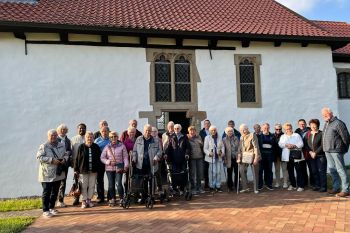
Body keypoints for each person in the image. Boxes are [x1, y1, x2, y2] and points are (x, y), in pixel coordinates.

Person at [36, 129, 68, 218]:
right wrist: (51, 160)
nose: (53, 137)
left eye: (55, 135)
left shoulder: (62, 145)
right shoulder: (44, 146)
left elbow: (66, 154)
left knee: (55, 191)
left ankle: (51, 207)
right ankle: (45, 210)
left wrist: (64, 159)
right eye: (51, 135)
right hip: (47, 173)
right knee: (47, 192)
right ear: (48, 136)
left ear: (57, 136)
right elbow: (39, 157)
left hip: (58, 172)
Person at [322, 107, 350, 197]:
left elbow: (346, 137)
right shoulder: (326, 123)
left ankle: (346, 189)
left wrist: (344, 149)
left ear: (330, 113)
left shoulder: (338, 123)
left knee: (340, 169)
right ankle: (336, 188)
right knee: (332, 169)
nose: (324, 116)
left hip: (336, 150)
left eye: (326, 114)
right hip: (327, 150)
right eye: (323, 115)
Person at [132, 124, 162, 203]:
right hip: (141, 164)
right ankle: (144, 197)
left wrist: (156, 157)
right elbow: (134, 151)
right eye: (146, 130)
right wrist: (134, 158)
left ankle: (152, 197)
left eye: (149, 131)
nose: (148, 132)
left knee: (152, 181)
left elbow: (160, 151)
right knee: (143, 181)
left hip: (152, 164)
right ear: (143, 131)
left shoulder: (156, 140)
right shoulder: (138, 139)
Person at [100, 131, 129, 206]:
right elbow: (102, 157)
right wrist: (108, 162)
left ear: (117, 137)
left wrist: (126, 165)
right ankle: (113, 199)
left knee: (118, 183)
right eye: (111, 137)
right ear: (109, 138)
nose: (113, 138)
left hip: (119, 168)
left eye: (115, 136)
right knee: (111, 185)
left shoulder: (122, 146)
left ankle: (122, 198)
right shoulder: (107, 147)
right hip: (109, 169)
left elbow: (125, 157)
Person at [74, 131, 101, 208]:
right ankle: (84, 200)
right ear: (85, 138)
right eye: (88, 137)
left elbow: (99, 159)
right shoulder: (81, 147)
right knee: (83, 186)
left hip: (93, 170)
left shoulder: (96, 147)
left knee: (92, 185)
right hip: (83, 170)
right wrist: (76, 170)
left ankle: (89, 200)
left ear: (93, 138)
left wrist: (98, 168)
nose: (89, 138)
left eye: (91, 137)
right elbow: (77, 159)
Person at [164, 124, 192, 193]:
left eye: (178, 128)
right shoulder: (171, 137)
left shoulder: (184, 137)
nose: (176, 130)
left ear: (180, 129)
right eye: (175, 128)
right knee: (174, 174)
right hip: (174, 159)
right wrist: (166, 154)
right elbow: (168, 147)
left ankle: (182, 188)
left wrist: (187, 154)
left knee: (183, 174)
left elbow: (188, 147)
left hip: (182, 159)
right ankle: (175, 188)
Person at [279, 123, 305, 192]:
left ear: (291, 128)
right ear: (285, 130)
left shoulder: (296, 135)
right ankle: (293, 185)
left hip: (296, 155)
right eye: (287, 129)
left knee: (298, 171)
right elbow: (280, 144)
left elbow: (301, 144)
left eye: (290, 128)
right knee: (290, 171)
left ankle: (301, 186)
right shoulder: (283, 136)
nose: (288, 130)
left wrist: (294, 145)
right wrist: (286, 145)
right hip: (288, 156)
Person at [305, 119, 327, 192]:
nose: (313, 126)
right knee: (314, 171)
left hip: (320, 156)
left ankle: (323, 187)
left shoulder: (321, 133)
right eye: (311, 125)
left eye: (314, 125)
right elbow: (306, 145)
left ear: (317, 125)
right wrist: (311, 152)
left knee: (321, 171)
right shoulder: (308, 134)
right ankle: (317, 185)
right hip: (311, 156)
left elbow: (323, 145)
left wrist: (315, 153)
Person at [237, 124, 260, 194]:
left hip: (252, 155)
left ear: (247, 129)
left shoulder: (252, 135)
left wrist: (256, 158)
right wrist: (238, 157)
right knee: (241, 170)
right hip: (244, 156)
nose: (243, 131)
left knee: (255, 172)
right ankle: (245, 188)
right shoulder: (241, 137)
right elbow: (239, 148)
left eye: (245, 129)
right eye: (242, 130)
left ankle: (256, 189)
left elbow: (256, 147)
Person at [204, 125, 225, 192]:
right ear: (210, 131)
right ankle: (212, 186)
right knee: (213, 172)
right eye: (212, 130)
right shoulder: (207, 138)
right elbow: (205, 148)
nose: (213, 131)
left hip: (218, 157)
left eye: (214, 130)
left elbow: (222, 147)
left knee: (218, 172)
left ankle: (218, 186)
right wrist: (209, 153)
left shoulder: (219, 137)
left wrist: (221, 152)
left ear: (216, 130)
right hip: (211, 158)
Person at [70, 123, 86, 206]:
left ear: (85, 129)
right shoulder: (73, 140)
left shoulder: (88, 138)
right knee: (76, 181)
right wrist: (72, 163)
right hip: (76, 165)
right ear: (77, 129)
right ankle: (76, 198)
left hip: (85, 165)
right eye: (80, 128)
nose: (81, 130)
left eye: (83, 128)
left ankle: (84, 198)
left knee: (84, 182)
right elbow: (71, 152)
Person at [56, 124, 72, 208]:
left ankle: (60, 200)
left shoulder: (68, 141)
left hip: (65, 163)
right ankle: (53, 201)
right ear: (58, 131)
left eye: (65, 129)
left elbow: (69, 150)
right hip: (56, 163)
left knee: (63, 182)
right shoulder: (55, 139)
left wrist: (66, 154)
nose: (63, 131)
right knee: (55, 182)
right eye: (61, 129)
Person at [94, 126, 110, 203]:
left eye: (106, 131)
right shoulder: (97, 140)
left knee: (111, 179)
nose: (104, 132)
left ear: (108, 131)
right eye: (103, 131)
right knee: (99, 180)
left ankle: (110, 196)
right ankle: (101, 197)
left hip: (110, 162)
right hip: (100, 162)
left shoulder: (111, 139)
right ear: (100, 132)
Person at [295, 119, 313, 188]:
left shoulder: (310, 130)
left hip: (309, 151)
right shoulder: (296, 132)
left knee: (311, 168)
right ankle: (305, 183)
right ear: (298, 125)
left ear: (305, 124)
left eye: (303, 124)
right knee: (303, 169)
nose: (302, 125)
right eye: (300, 124)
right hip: (300, 152)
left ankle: (312, 183)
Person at [258, 123, 275, 191]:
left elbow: (274, 146)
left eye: (267, 128)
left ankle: (269, 184)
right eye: (265, 128)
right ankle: (260, 185)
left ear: (269, 128)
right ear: (262, 128)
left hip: (270, 156)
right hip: (261, 156)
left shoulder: (272, 136)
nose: (266, 129)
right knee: (260, 170)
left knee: (269, 171)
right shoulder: (259, 136)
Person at [187, 126, 204, 194]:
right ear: (189, 131)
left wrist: (200, 142)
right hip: (192, 158)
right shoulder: (187, 138)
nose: (192, 132)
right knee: (192, 174)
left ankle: (199, 187)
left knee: (199, 173)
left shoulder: (199, 137)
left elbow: (202, 145)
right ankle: (193, 188)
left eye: (193, 130)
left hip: (199, 157)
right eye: (191, 130)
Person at [222, 126, 239, 192]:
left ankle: (237, 185)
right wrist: (224, 158)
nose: (230, 132)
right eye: (229, 131)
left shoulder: (236, 138)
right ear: (226, 132)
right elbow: (224, 150)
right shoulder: (224, 139)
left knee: (237, 172)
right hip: (228, 158)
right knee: (229, 173)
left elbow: (238, 148)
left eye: (231, 131)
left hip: (236, 158)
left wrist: (239, 155)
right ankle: (230, 186)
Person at [273, 124, 287, 188]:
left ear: (281, 129)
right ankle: (278, 182)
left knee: (284, 169)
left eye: (279, 129)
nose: (278, 130)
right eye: (276, 129)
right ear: (274, 129)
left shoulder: (285, 135)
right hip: (276, 155)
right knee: (277, 170)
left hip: (283, 155)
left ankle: (285, 183)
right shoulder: (272, 136)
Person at [199, 119, 211, 190]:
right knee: (205, 169)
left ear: (210, 124)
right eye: (205, 124)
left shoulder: (213, 131)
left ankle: (212, 184)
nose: (207, 125)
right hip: (204, 154)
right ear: (204, 125)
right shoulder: (201, 132)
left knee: (212, 170)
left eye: (208, 124)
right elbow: (200, 143)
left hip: (213, 154)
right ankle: (206, 184)